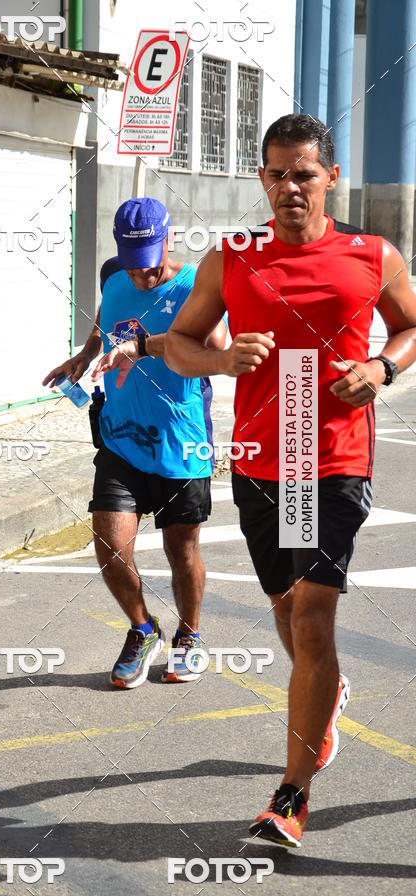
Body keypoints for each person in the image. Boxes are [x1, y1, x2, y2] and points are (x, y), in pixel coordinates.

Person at [165, 114, 416, 847]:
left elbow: (411, 328)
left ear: (330, 178)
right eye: (275, 174)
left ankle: (291, 796)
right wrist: (220, 360)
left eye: (302, 173)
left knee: (312, 619)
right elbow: (180, 342)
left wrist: (382, 368)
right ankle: (327, 689)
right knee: (286, 611)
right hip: (259, 462)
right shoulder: (233, 257)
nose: (288, 188)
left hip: (329, 459)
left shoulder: (372, 253)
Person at [43, 197, 226, 688]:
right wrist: (82, 359)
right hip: (120, 436)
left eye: (147, 266)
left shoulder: (196, 286)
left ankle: (188, 636)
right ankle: (143, 629)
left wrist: (147, 346)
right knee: (108, 540)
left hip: (180, 442)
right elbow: (107, 323)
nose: (141, 277)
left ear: (168, 240)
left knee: (181, 553)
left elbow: (219, 353)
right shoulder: (115, 275)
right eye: (131, 264)